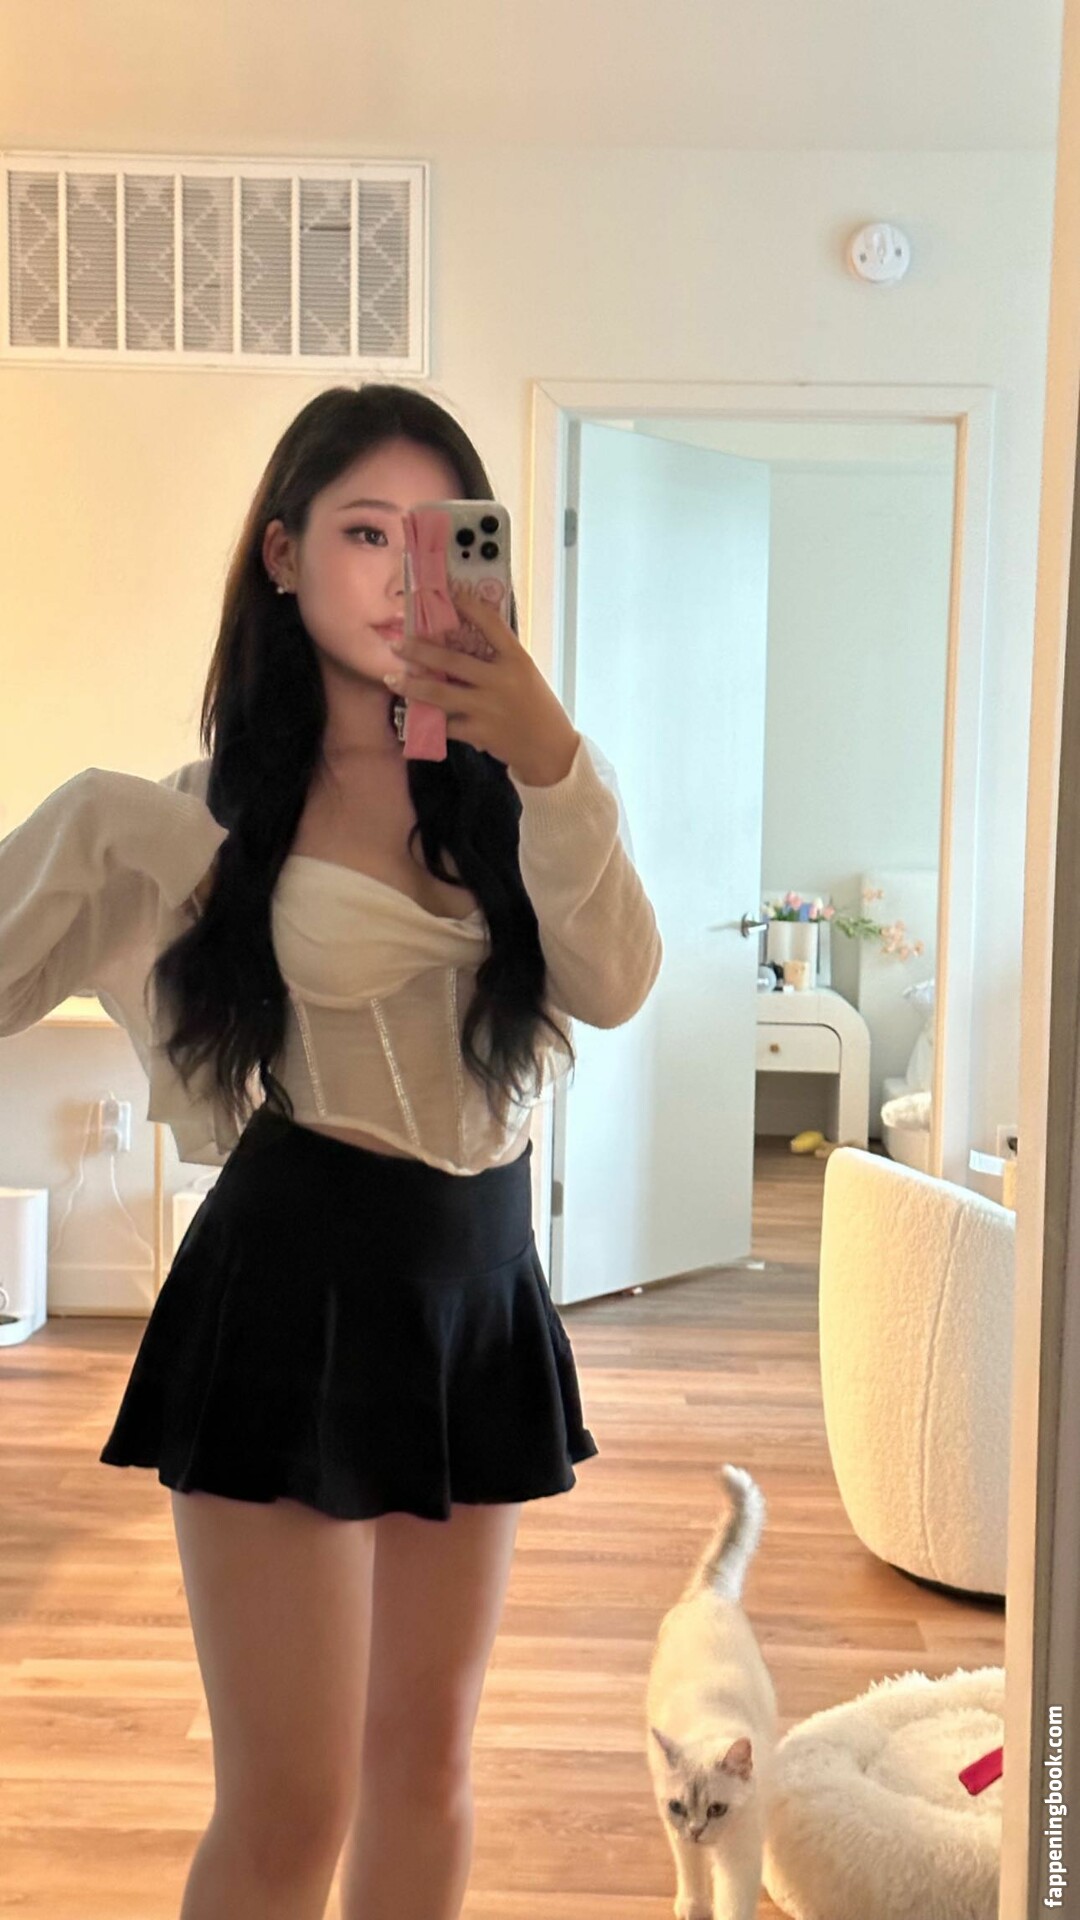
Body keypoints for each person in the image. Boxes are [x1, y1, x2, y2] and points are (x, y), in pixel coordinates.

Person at [0, 382, 662, 1920]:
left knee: (427, 1772)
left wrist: (552, 757)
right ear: (285, 556)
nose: (398, 573)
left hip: (478, 1296)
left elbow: (617, 983)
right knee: (292, 1805)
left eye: (434, 535)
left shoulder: (516, 796)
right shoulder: (205, 820)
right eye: (365, 532)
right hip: (292, 1293)